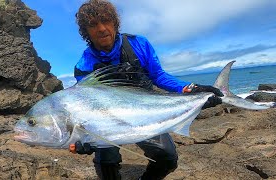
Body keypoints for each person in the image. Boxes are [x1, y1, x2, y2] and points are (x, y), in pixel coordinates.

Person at [72, 0, 223, 179]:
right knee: (106, 161)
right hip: (108, 121)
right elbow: (85, 105)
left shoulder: (139, 44)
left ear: (115, 22)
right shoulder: (84, 66)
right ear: (86, 31)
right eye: (93, 25)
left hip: (146, 112)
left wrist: (190, 88)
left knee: (167, 157)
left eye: (106, 21)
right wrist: (81, 138)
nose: (102, 28)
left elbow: (158, 76)